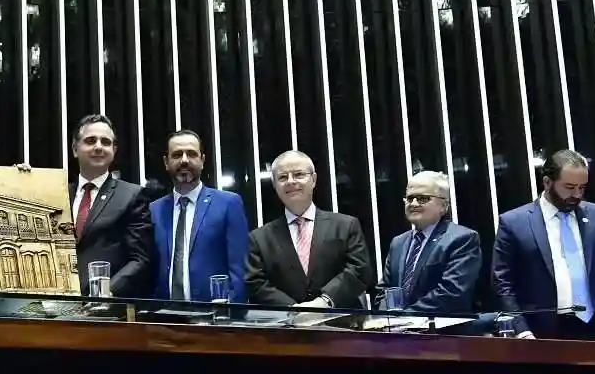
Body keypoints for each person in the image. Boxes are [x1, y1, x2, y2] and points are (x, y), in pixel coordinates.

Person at [492, 149, 595, 341]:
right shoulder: (514, 222)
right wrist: (520, 328)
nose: (577, 194)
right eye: (569, 187)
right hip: (540, 333)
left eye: (582, 187)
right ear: (547, 182)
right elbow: (502, 283)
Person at [244, 150, 372, 309]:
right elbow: (255, 283)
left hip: (342, 325)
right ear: (274, 185)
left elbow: (359, 270)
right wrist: (294, 310)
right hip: (286, 327)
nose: (291, 181)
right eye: (283, 177)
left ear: (314, 180)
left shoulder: (346, 225)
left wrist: (324, 301)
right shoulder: (259, 238)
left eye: (298, 174)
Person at [150, 130, 249, 302]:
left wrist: (229, 312)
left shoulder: (228, 203)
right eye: (177, 154)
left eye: (191, 154)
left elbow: (239, 269)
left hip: (215, 318)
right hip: (165, 318)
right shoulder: (154, 210)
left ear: (202, 161)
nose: (184, 160)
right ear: (166, 162)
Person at [68, 115, 153, 297]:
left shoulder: (131, 195)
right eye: (90, 141)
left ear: (113, 150)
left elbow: (140, 259)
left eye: (105, 142)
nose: (98, 147)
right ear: (75, 149)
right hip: (52, 306)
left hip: (105, 309)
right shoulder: (58, 193)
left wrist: (105, 291)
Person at [382, 171, 481, 314]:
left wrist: (405, 318)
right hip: (398, 332)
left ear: (443, 206)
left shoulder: (462, 239)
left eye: (422, 198)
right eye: (410, 198)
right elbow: (384, 289)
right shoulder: (398, 243)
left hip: (444, 332)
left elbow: (452, 293)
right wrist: (387, 318)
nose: (414, 203)